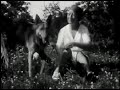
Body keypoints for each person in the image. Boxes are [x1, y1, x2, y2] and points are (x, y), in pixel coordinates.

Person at [52, 5, 93, 81]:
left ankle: (88, 72)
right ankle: (58, 70)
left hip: (80, 55)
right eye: (68, 14)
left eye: (72, 14)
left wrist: (75, 43)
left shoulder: (83, 29)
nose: (69, 16)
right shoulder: (63, 30)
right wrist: (64, 49)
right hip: (66, 55)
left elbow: (88, 45)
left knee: (80, 55)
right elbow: (58, 46)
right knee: (65, 53)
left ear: (78, 17)